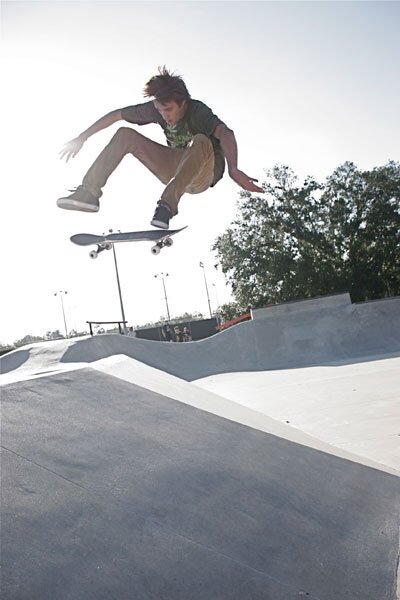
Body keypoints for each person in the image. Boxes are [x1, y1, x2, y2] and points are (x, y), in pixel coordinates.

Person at [57, 66, 263, 229]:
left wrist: (234, 169)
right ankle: (89, 193)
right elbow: (116, 115)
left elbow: (226, 134)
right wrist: (82, 137)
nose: (164, 115)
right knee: (124, 134)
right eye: (159, 110)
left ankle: (167, 206)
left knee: (200, 140)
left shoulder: (198, 111)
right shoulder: (155, 110)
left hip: (203, 172)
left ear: (183, 103)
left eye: (169, 109)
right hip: (173, 168)